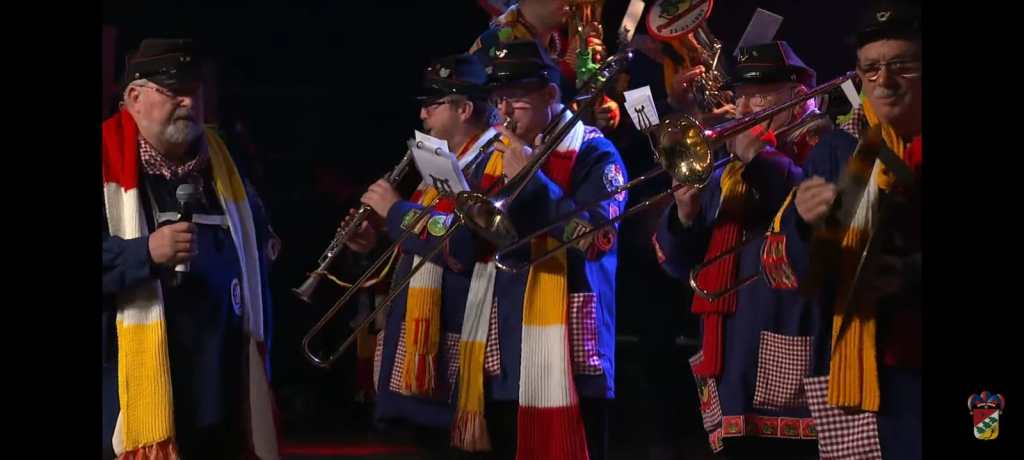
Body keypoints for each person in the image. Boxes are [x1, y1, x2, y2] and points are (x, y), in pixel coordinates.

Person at [102, 38, 279, 459]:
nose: (188, 101)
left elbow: (258, 235)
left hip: (221, 386)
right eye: (173, 90)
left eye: (194, 90)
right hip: (131, 384)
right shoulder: (105, 162)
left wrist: (268, 243)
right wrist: (144, 253)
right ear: (134, 97)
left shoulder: (224, 162)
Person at [451, 39, 628, 460]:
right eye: (497, 101)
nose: (504, 114)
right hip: (500, 347)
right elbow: (465, 247)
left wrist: (532, 180)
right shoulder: (494, 153)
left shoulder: (596, 152)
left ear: (550, 95)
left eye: (515, 99)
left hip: (569, 348)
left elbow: (594, 239)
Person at [650, 41, 828, 458]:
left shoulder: (824, 149)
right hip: (730, 366)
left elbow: (813, 209)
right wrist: (685, 213)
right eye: (741, 95)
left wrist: (757, 154)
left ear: (799, 97)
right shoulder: (725, 172)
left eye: (759, 95)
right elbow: (676, 265)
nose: (744, 108)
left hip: (794, 354)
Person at [343, 53, 501, 453]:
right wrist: (375, 240)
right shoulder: (443, 163)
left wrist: (395, 211)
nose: (423, 113)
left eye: (433, 103)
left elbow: (461, 243)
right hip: (424, 348)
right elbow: (418, 241)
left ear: (464, 109)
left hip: (458, 348)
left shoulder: (494, 162)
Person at [791, 1, 922, 458]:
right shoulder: (843, 153)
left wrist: (909, 276)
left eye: (901, 66)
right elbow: (813, 277)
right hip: (878, 375)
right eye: (871, 68)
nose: (884, 81)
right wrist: (805, 226)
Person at [470, 0, 622, 132]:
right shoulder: (495, 46)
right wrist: (566, 74)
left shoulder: (562, 42)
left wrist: (598, 109)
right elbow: (509, 125)